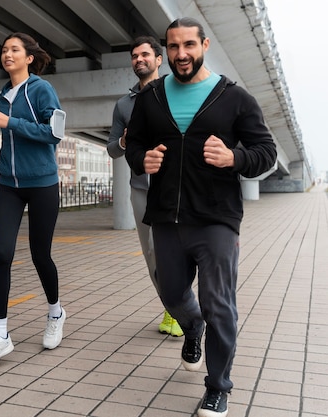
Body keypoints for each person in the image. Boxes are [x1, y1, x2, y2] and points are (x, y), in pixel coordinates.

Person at [125, 17, 277, 417]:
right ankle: (192, 326)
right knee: (173, 295)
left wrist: (234, 158)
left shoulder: (234, 97)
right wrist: (143, 158)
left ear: (204, 44)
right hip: (166, 219)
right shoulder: (151, 97)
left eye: (189, 45)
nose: (181, 55)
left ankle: (217, 387)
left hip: (216, 219)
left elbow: (266, 152)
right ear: (166, 50)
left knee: (219, 303)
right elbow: (133, 144)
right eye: (173, 47)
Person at [0, 32, 66, 365]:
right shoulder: (2, 95)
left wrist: (10, 122)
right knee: (1, 253)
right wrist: (3, 156)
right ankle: (0, 334)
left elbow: (53, 133)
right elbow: (16, 139)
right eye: (4, 50)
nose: (7, 54)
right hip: (9, 185)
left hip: (43, 184)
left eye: (14, 50)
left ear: (29, 57)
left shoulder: (41, 89)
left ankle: (56, 314)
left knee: (40, 254)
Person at [107, 36, 183, 338]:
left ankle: (179, 309)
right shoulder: (123, 105)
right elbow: (112, 148)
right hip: (140, 189)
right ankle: (173, 305)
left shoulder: (175, 93)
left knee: (168, 251)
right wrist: (125, 141)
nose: (139, 60)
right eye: (134, 56)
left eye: (145, 55)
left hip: (172, 186)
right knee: (151, 255)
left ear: (159, 59)